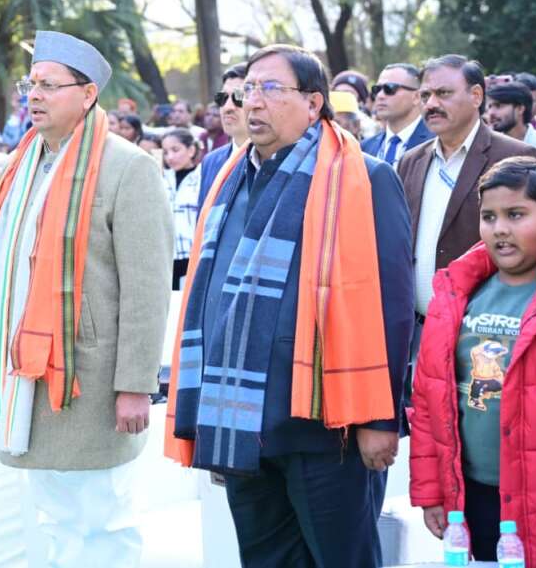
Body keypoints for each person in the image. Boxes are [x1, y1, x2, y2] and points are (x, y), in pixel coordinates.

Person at [165, 44, 414, 568]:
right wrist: (210, 418)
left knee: (343, 559)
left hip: (328, 423)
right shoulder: (228, 180)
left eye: (271, 89)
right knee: (264, 559)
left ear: (314, 102)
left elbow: (392, 309)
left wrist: (381, 418)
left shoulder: (364, 178)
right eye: (247, 89)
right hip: (243, 421)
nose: (252, 101)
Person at [0, 31, 172, 567]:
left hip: (91, 378)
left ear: (88, 93)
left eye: (50, 85)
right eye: (30, 84)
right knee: (55, 513)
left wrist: (135, 385)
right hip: (28, 372)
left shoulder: (128, 167)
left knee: (102, 517)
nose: (34, 95)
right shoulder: (21, 166)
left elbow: (146, 288)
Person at [410, 157, 536, 566]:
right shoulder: (456, 295)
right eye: (489, 217)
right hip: (474, 495)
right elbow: (428, 401)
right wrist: (431, 492)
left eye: (516, 215)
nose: (500, 229)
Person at [398, 55, 536, 376]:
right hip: (418, 332)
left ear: (476, 96)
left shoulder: (515, 156)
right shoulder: (411, 161)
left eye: (443, 93)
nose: (431, 104)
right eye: (425, 95)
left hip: (486, 336)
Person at [486, 82, 536, 189]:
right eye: (490, 106)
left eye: (498, 106)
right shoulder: (486, 145)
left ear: (520, 109)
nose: (491, 113)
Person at [362, 62, 433, 167]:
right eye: (377, 89)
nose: (380, 95)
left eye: (389, 89)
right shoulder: (365, 147)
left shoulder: (435, 143)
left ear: (417, 97)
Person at [198, 62, 247, 208]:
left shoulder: (276, 159)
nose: (227, 107)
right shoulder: (211, 161)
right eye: (222, 98)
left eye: (238, 97)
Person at [162, 128, 201, 290]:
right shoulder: (161, 177)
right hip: (165, 258)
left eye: (175, 150)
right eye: (165, 152)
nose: (170, 157)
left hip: (193, 257)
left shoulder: (203, 176)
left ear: (191, 150)